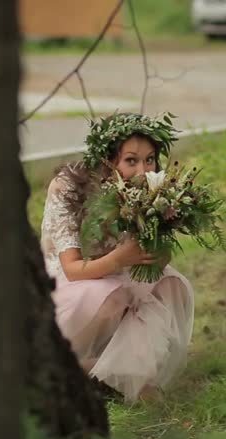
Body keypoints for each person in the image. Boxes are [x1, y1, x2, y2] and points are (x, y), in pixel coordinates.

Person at [39, 113, 194, 402]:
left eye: (149, 160)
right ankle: (76, 365)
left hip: (124, 273)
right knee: (113, 296)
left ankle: (117, 374)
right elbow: (72, 268)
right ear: (108, 160)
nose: (143, 171)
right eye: (131, 160)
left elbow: (158, 258)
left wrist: (158, 252)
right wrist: (119, 258)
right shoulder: (68, 187)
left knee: (171, 285)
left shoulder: (153, 190)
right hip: (76, 279)